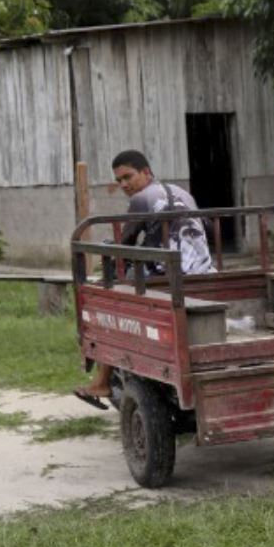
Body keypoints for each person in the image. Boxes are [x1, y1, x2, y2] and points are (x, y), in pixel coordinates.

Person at [72, 149, 215, 408]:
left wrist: (112, 270)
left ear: (146, 172)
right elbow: (206, 229)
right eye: (120, 181)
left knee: (111, 302)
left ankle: (103, 381)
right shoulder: (184, 194)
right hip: (203, 272)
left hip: (164, 275)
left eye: (128, 177)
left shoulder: (142, 199)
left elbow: (124, 244)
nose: (125, 184)